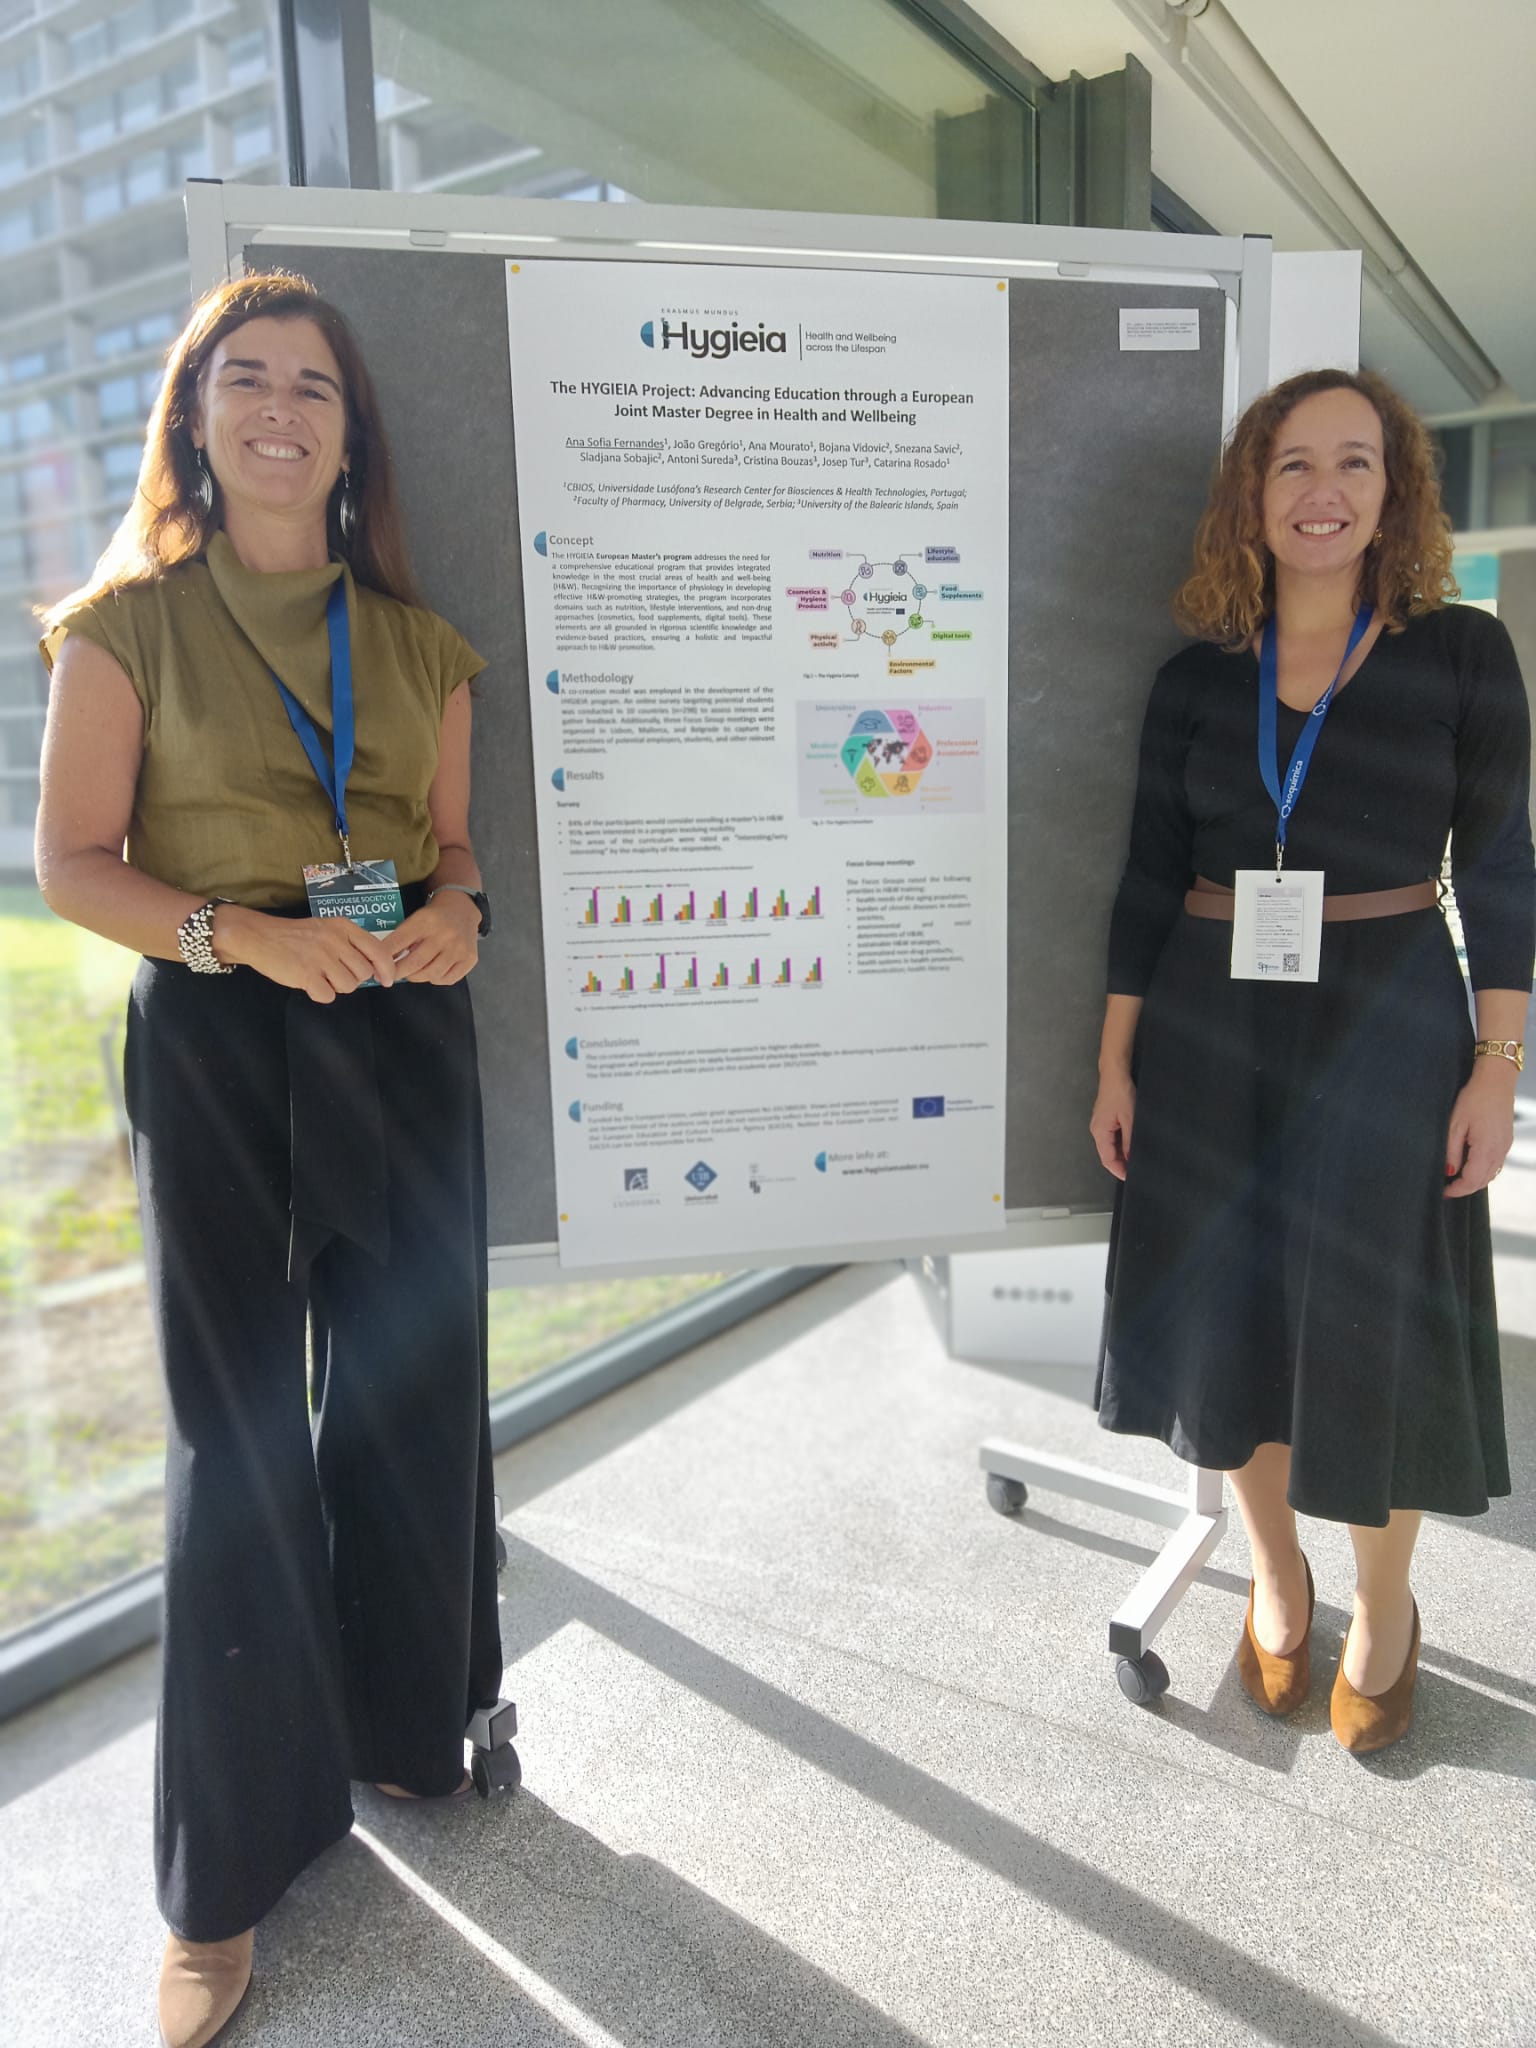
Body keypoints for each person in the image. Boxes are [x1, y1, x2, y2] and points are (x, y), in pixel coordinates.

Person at [34, 271, 505, 2048]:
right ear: (196, 415)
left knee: (409, 1398)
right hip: (226, 1037)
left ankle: (405, 1730)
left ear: (350, 429)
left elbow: (450, 851)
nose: (282, 409)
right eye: (248, 378)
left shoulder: (420, 645)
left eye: (314, 384)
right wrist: (245, 942)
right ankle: (220, 1883)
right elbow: (74, 866)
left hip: (399, 1028)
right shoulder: (122, 629)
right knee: (234, 1439)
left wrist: (460, 914)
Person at [1090, 367, 1533, 1754]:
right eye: (1293, 464)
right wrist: (1116, 1063)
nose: (1323, 492)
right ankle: (1276, 1579)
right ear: (1253, 493)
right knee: (1233, 1315)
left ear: (1395, 492)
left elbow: (1503, 871)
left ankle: (1385, 1602)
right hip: (1208, 1025)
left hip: (1391, 1019)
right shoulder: (1195, 681)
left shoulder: (1461, 655)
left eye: (1354, 463)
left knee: (1367, 1317)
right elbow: (1147, 877)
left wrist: (1497, 1066)